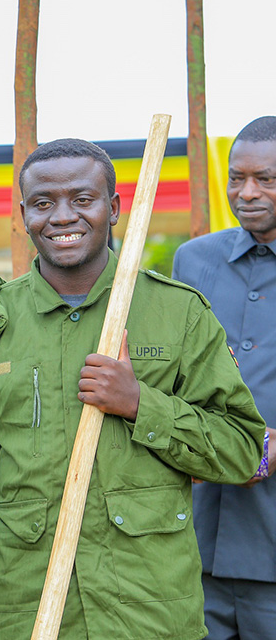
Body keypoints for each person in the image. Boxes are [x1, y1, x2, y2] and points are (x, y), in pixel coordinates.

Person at [0, 139, 266, 639]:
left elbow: (243, 450)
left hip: (148, 610)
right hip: (32, 606)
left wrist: (140, 405)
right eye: (44, 203)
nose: (63, 217)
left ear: (113, 209)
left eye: (82, 199)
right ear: (24, 215)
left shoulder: (178, 313)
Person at [173, 116, 276, 639]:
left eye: (267, 179)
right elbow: (168, 372)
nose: (248, 192)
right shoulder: (194, 261)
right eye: (237, 178)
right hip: (195, 533)